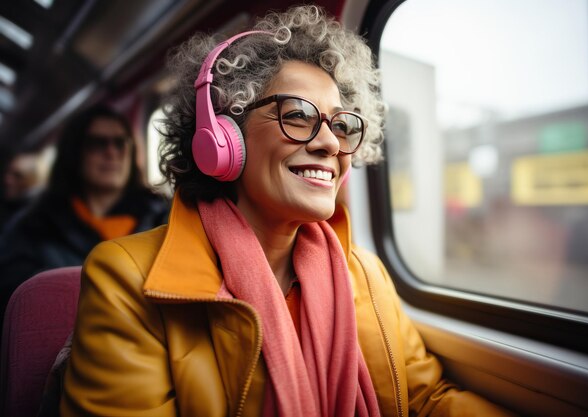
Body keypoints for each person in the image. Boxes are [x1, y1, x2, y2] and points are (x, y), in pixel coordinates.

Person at [60, 6, 514, 417]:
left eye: (341, 124)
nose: (330, 143)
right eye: (297, 114)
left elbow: (423, 401)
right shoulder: (125, 280)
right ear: (222, 139)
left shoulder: (366, 275)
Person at [0, 105, 169, 328]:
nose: (112, 152)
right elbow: (15, 301)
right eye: (98, 143)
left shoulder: (163, 220)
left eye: (121, 143)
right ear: (75, 152)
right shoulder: (33, 225)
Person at [0, 148, 50, 230]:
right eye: (8, 172)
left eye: (18, 176)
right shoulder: (9, 201)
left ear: (33, 181)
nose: (7, 180)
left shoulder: (32, 215)